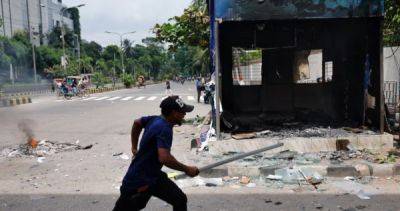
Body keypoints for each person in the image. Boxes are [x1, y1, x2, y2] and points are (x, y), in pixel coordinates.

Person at [113, 96, 199, 211]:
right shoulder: (165, 128)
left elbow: (137, 123)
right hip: (138, 181)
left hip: (152, 176)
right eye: (182, 112)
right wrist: (187, 169)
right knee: (132, 205)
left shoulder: (155, 119)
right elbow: (164, 158)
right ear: (174, 113)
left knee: (179, 199)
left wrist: (134, 147)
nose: (184, 115)